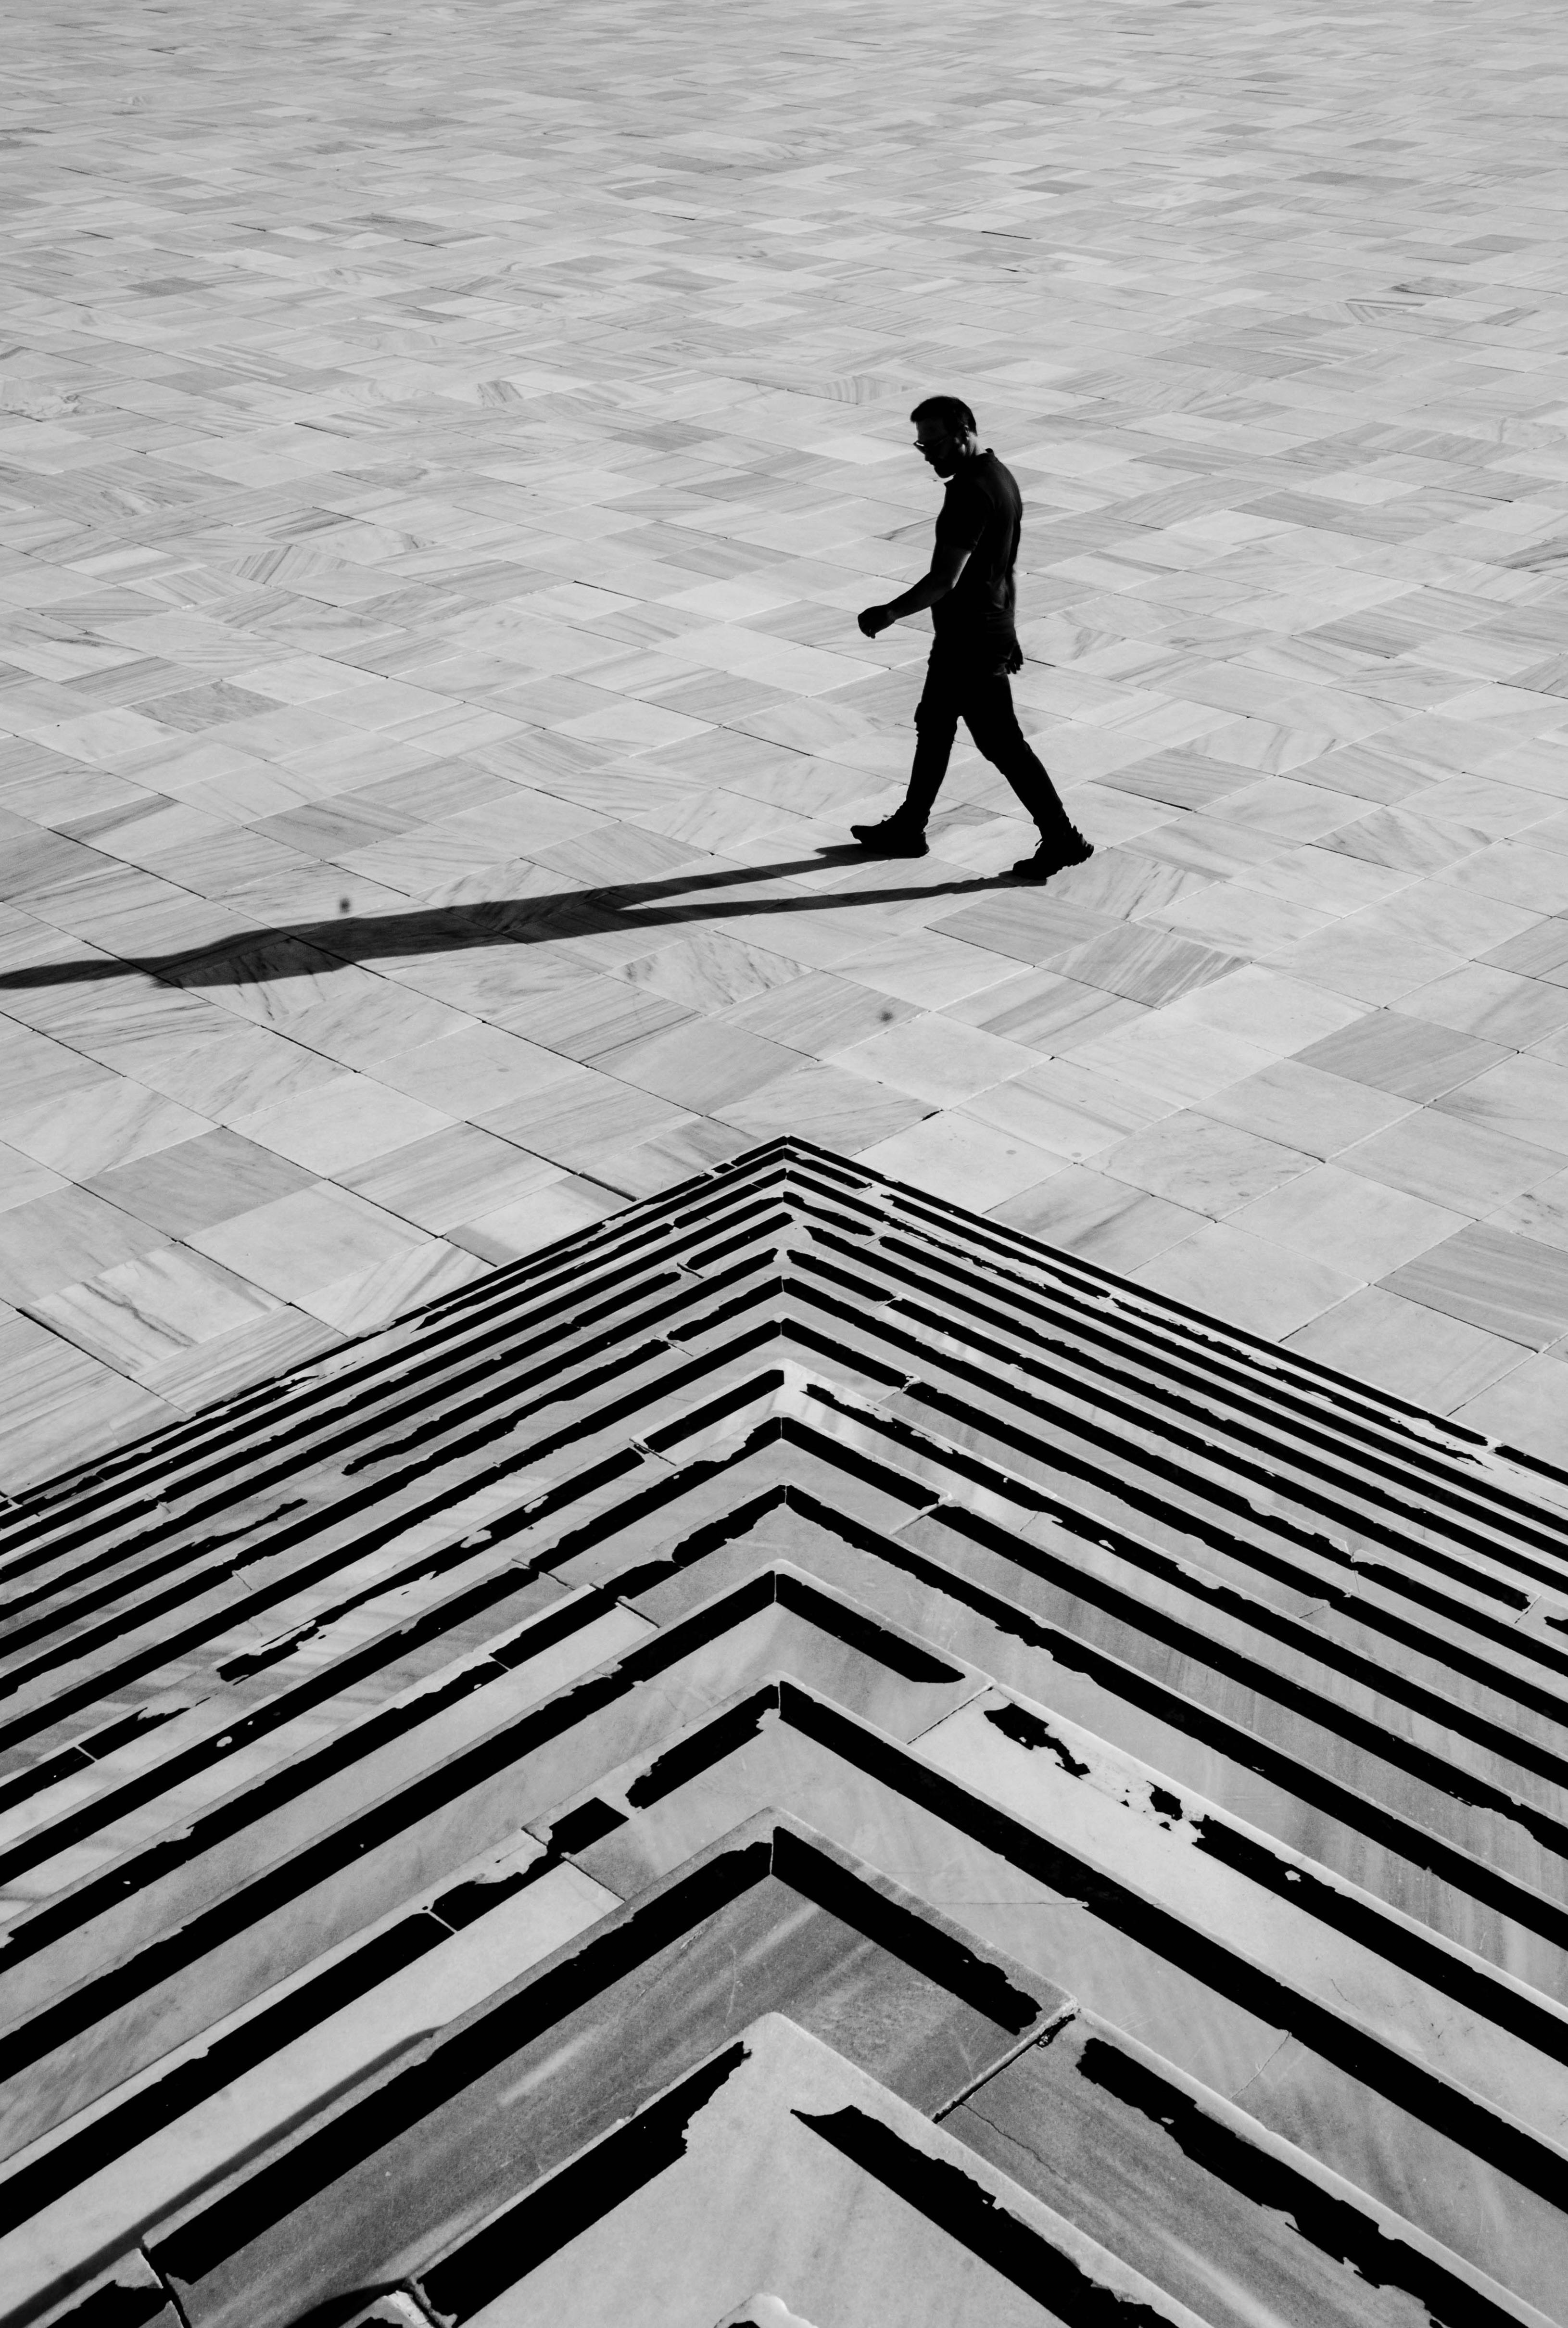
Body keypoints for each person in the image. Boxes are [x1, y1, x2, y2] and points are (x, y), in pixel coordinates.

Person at [851, 397, 1092, 882]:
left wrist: (889, 612)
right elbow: (1001, 565)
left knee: (1002, 744)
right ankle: (909, 827)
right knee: (935, 725)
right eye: (920, 443)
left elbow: (945, 578)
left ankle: (1062, 836)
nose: (925, 453)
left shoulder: (968, 492)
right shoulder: (999, 477)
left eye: (933, 442)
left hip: (969, 641)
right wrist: (1009, 629)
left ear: (962, 432)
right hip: (982, 630)